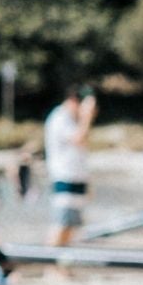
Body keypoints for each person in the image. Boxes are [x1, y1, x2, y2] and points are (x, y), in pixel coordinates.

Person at [42, 86, 97, 247]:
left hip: (76, 179)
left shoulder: (71, 119)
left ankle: (59, 259)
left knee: (70, 227)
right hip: (65, 178)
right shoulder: (60, 117)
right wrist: (87, 116)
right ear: (74, 101)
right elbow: (79, 139)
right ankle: (50, 259)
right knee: (61, 224)